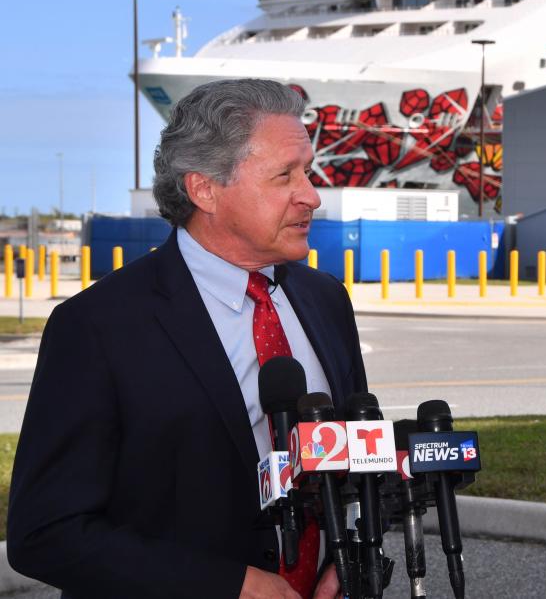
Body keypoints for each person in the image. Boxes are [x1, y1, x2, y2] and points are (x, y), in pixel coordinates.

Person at [7, 79, 366, 598]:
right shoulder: (96, 327)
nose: (311, 195)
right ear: (204, 189)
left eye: (307, 171)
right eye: (284, 175)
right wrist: (229, 585)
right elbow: (45, 532)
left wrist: (347, 556)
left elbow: (353, 457)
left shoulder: (326, 301)